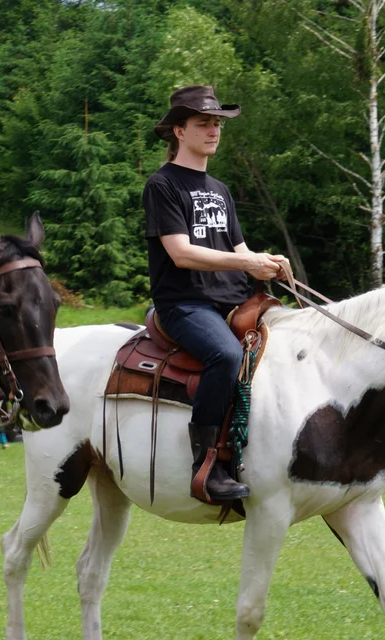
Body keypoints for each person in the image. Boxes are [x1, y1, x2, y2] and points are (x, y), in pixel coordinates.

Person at [143, 85, 285, 503]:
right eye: (203, 123)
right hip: (184, 305)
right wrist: (246, 263)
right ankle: (207, 465)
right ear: (178, 131)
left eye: (217, 123)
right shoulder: (162, 185)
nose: (214, 130)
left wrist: (267, 261)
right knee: (225, 355)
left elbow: (238, 249)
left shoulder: (220, 189)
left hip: (233, 300)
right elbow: (181, 253)